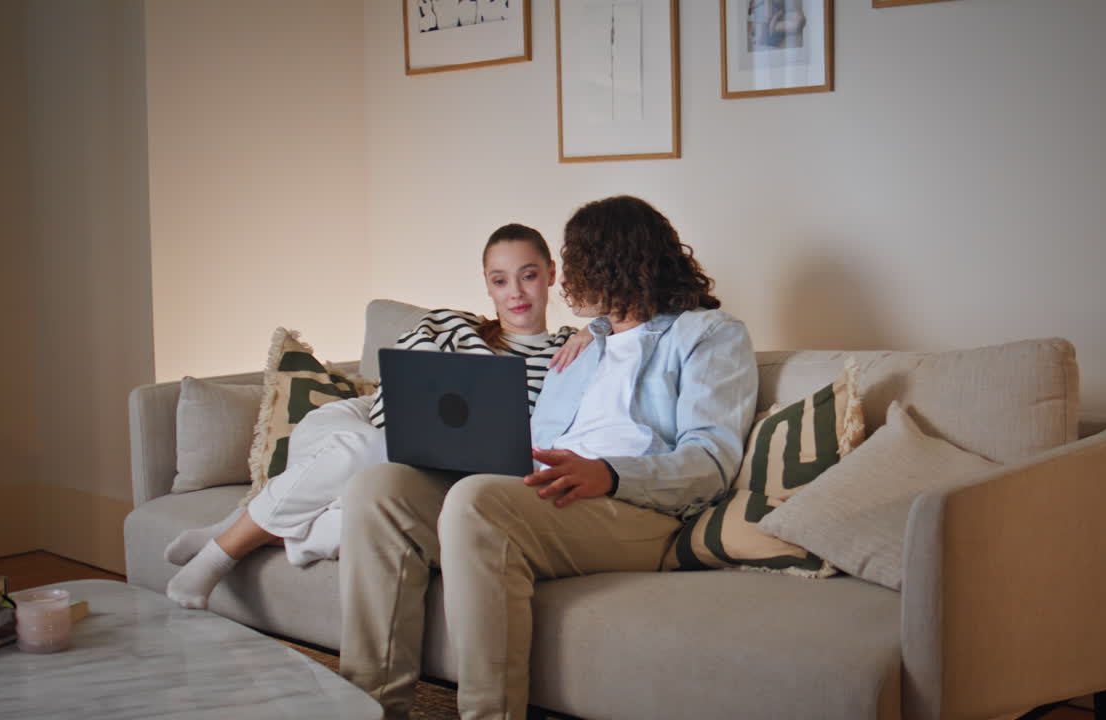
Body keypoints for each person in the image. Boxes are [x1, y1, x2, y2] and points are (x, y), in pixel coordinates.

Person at [339, 195, 759, 719]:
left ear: (614, 264)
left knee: (478, 502)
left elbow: (710, 464)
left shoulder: (709, 336)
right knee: (379, 490)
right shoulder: (580, 347)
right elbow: (532, 439)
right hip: (546, 495)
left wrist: (607, 474)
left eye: (575, 263)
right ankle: (367, 706)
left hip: (638, 511)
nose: (562, 283)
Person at [164, 223, 591, 610]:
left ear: (552, 274)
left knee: (366, 519)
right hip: (363, 423)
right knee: (370, 449)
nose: (515, 292)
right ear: (488, 286)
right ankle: (219, 554)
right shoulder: (451, 327)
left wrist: (597, 328)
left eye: (528, 275)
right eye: (500, 280)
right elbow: (393, 405)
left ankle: (243, 526)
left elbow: (622, 333)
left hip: (433, 465)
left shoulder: (569, 352)